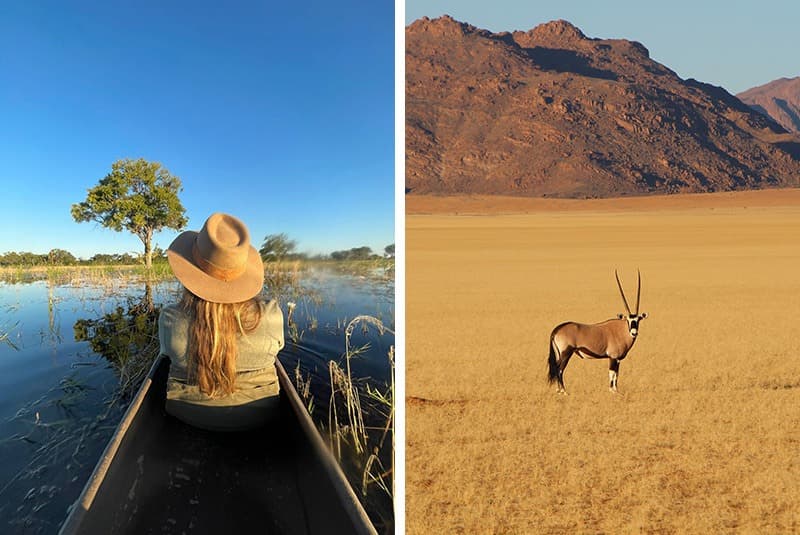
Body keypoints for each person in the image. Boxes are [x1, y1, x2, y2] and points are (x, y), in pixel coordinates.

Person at [158, 212, 284, 431]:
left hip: (186, 415)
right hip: (262, 415)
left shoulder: (170, 317)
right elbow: (278, 348)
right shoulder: (272, 314)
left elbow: (166, 353)